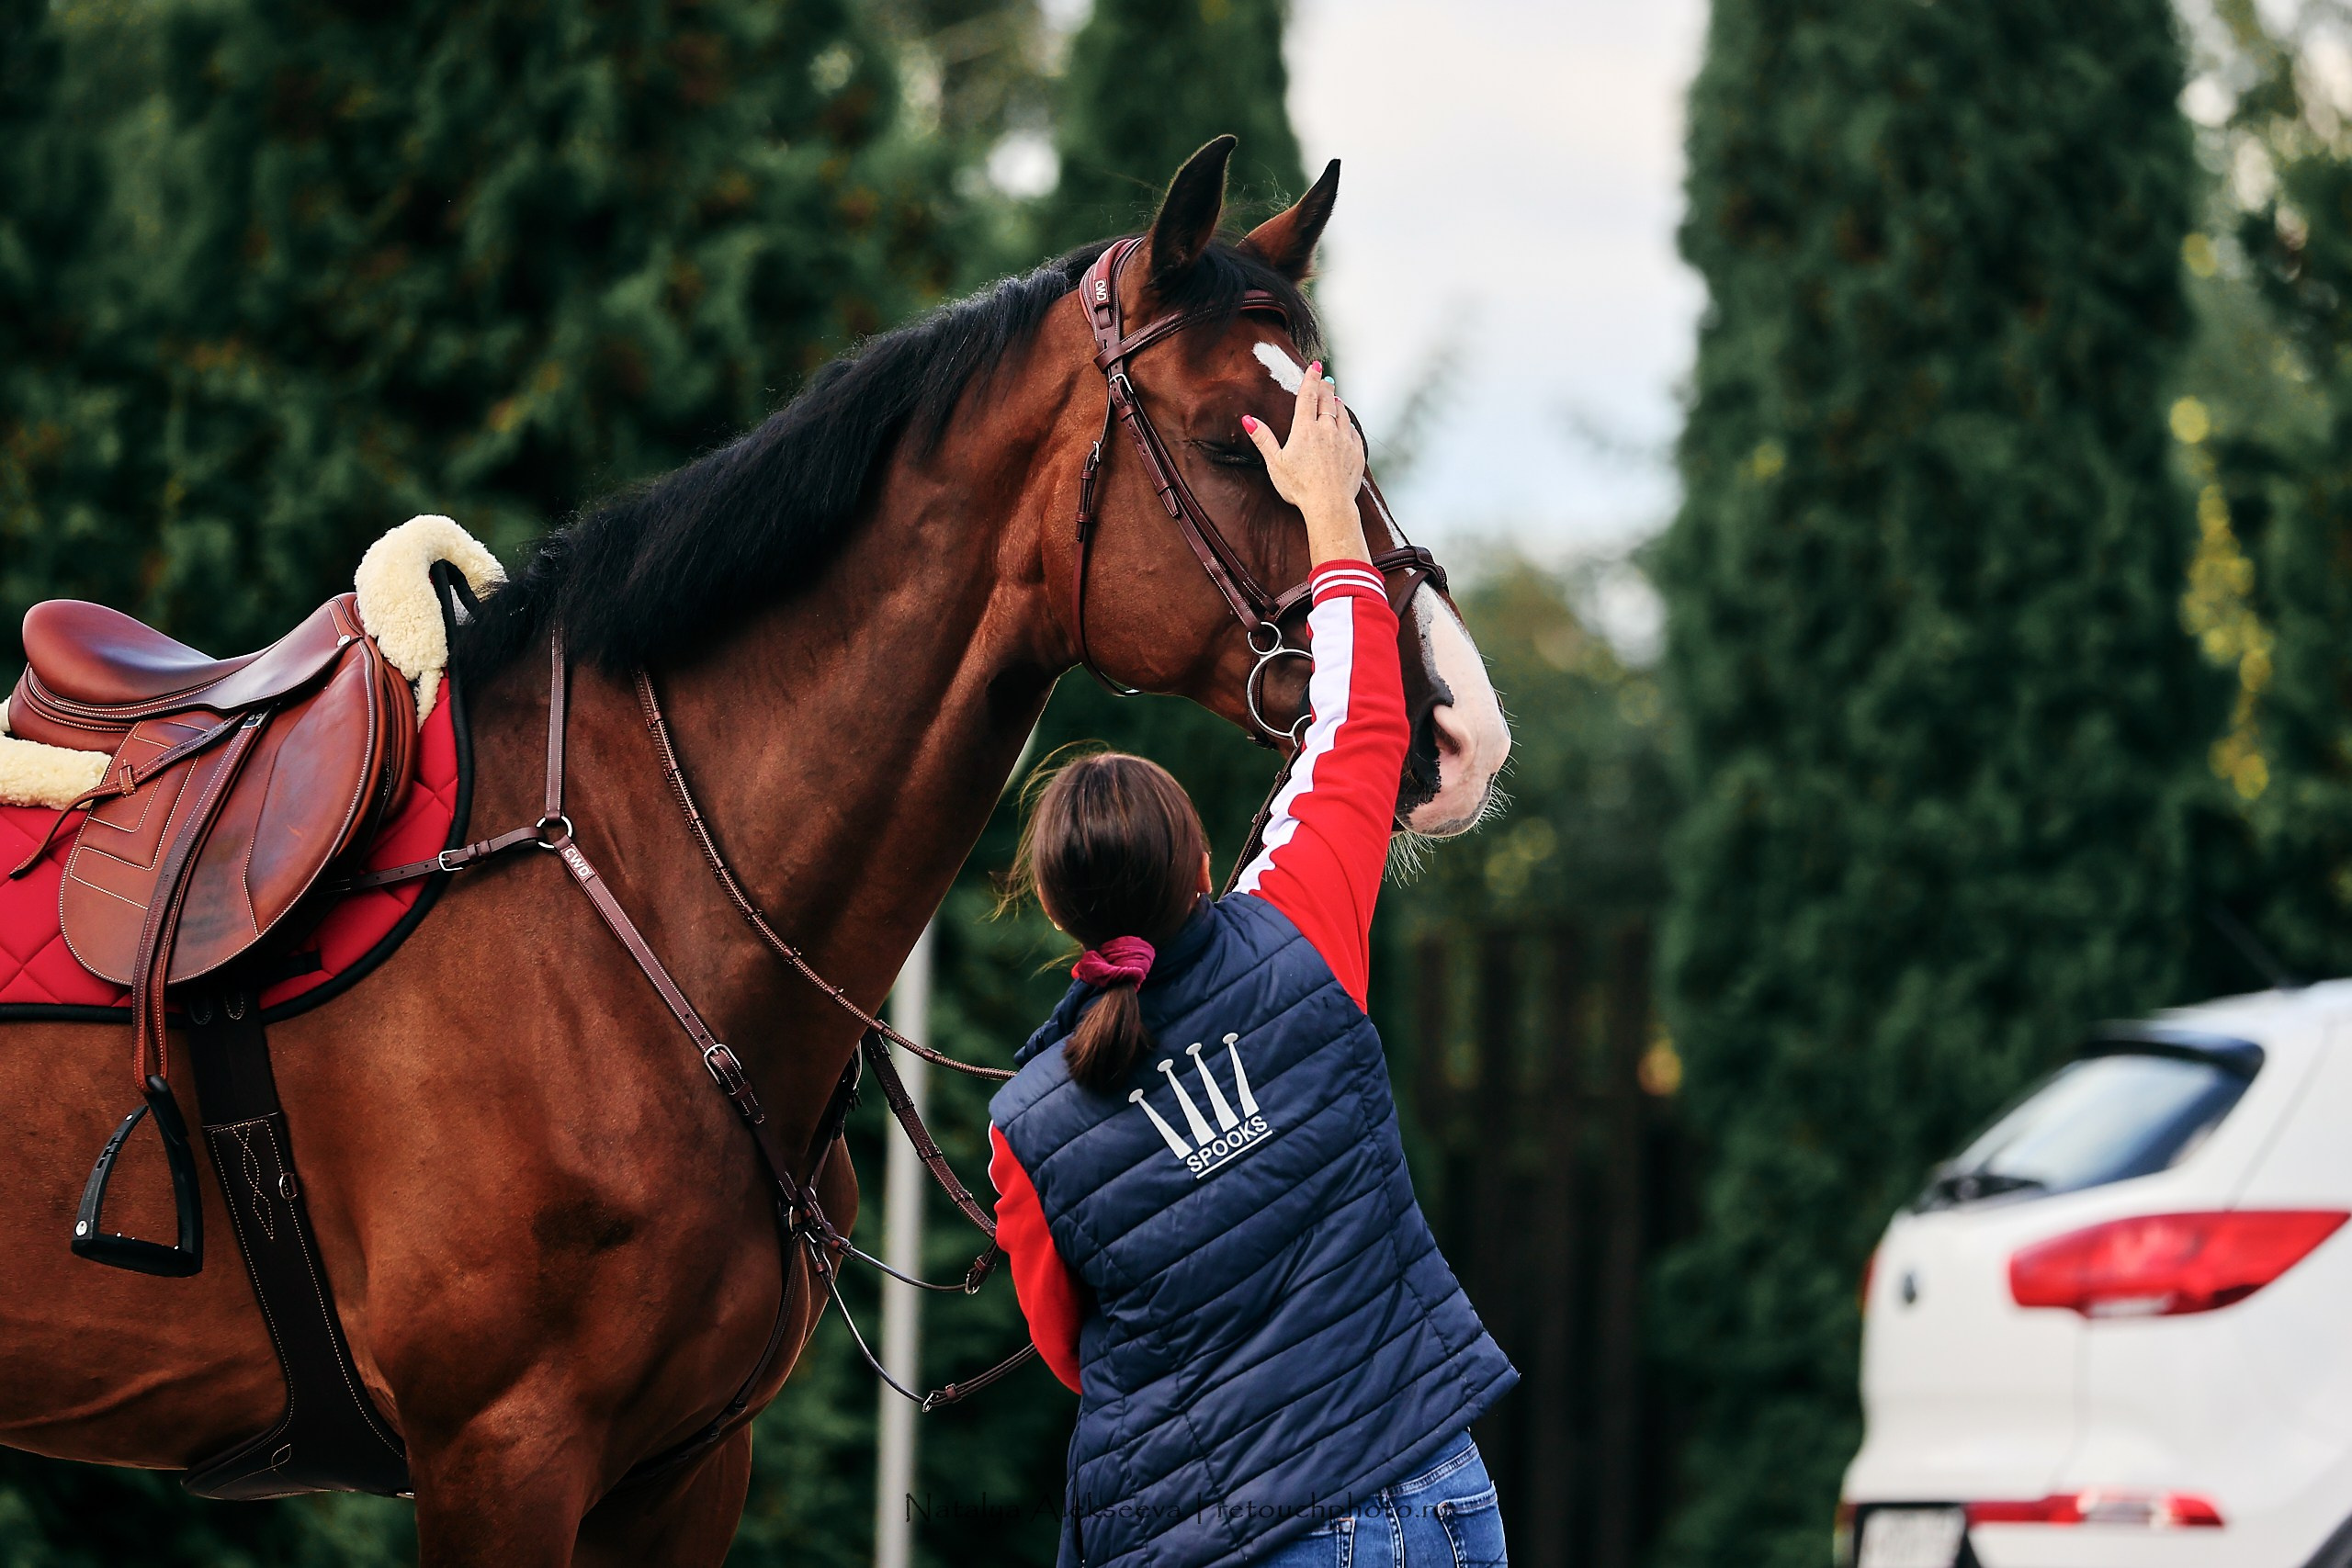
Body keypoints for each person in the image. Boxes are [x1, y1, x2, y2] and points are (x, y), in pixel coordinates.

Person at [987, 360, 1516, 1568]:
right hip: (1433, 1493)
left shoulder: (1028, 1125)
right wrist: (1330, 506)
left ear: (1060, 913)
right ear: (1205, 863)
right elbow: (1362, 722)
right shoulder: (1296, 934)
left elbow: (1075, 1351)